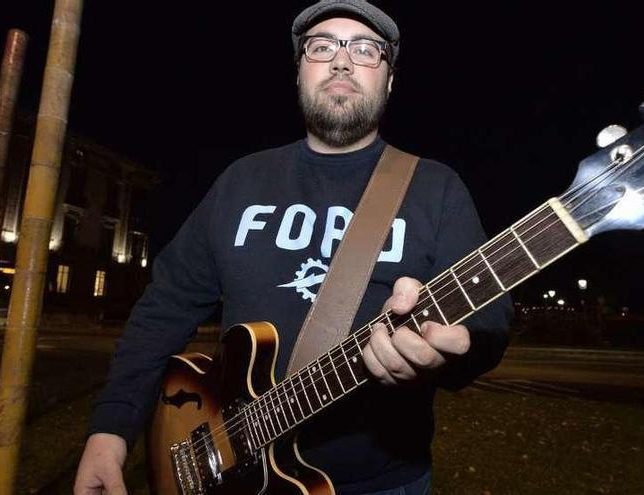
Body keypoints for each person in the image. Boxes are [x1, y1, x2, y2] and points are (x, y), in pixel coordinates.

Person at [74, 1, 512, 494]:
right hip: (227, 469)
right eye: (321, 47)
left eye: (366, 50)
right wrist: (110, 432)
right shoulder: (241, 181)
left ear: (389, 81)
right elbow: (162, 311)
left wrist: (453, 355)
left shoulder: (437, 188)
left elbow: (486, 320)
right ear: (300, 72)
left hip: (382, 483)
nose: (342, 61)